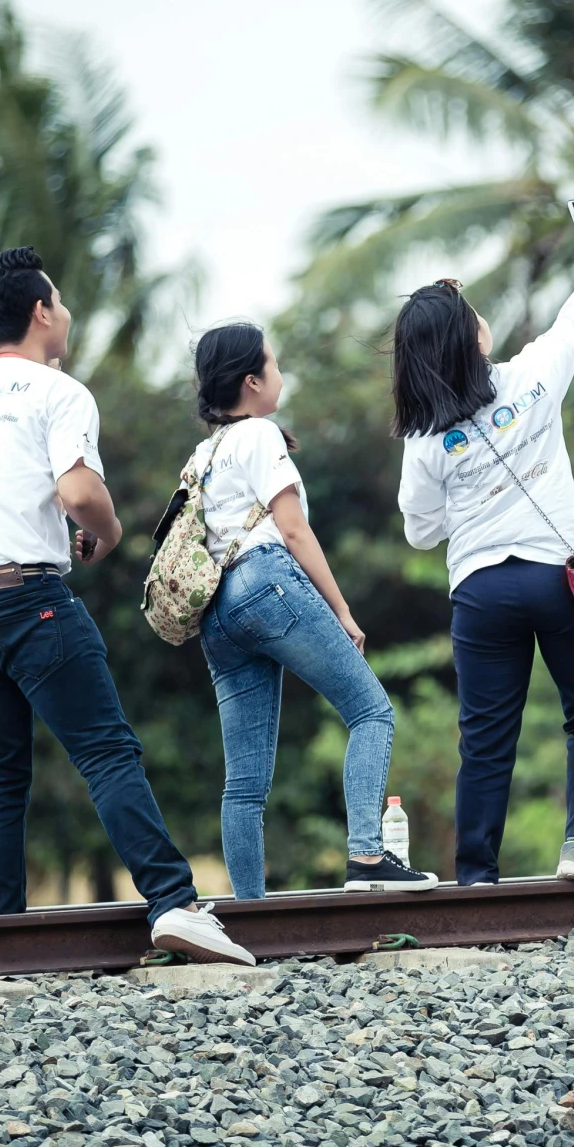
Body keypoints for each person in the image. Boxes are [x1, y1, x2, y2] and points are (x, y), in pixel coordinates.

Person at [0, 246, 252, 965]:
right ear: (40, 311)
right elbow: (79, 494)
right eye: (59, 301)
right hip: (26, 598)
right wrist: (109, 530)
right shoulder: (57, 392)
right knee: (105, 750)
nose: (65, 312)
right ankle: (173, 901)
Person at [392, 188, 574, 886]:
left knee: (487, 743)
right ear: (472, 337)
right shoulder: (533, 376)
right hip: (564, 579)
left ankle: (475, 879)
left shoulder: (424, 438)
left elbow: (418, 530)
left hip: (481, 591)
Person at [188, 323, 437, 899]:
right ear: (251, 382)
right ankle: (368, 856)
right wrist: (343, 611)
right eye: (273, 365)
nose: (281, 375)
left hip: (216, 613)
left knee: (244, 785)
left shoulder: (203, 455)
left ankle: (250, 910)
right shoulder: (258, 434)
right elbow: (294, 530)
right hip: (265, 584)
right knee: (372, 712)